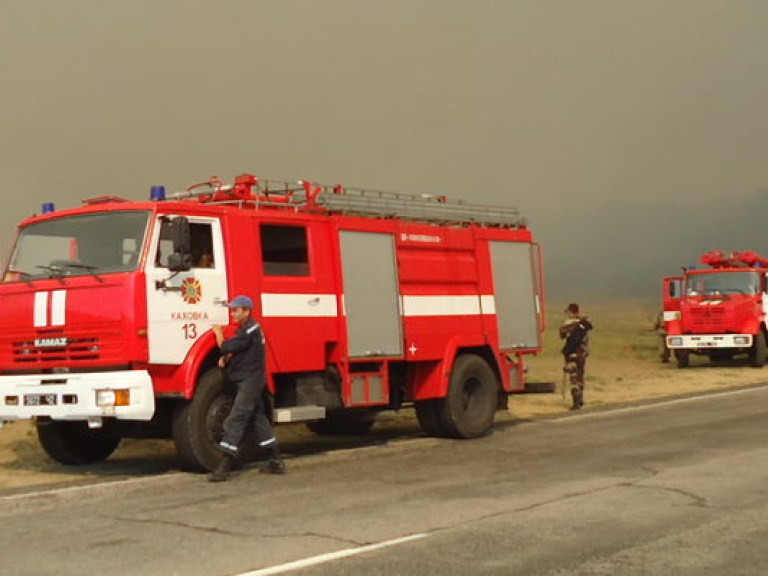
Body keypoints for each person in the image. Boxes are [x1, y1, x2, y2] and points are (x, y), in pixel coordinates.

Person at [208, 295, 285, 482]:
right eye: (232, 309)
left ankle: (224, 466)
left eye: (235, 310)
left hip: (250, 382)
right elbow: (241, 351)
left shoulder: (250, 330)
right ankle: (276, 460)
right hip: (252, 380)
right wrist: (228, 358)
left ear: (246, 311)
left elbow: (225, 346)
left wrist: (218, 333)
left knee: (236, 418)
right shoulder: (249, 330)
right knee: (258, 419)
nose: (232, 313)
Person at [559, 303, 593, 410]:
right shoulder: (584, 323)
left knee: (573, 376)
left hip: (572, 353)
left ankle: (576, 402)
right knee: (580, 374)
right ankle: (581, 398)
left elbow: (561, 334)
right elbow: (587, 338)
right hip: (582, 353)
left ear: (570, 312)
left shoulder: (568, 323)